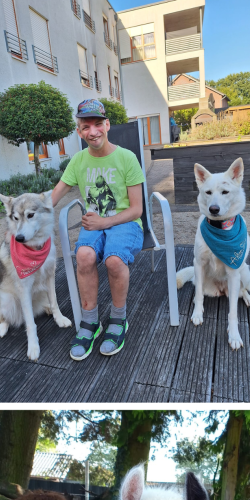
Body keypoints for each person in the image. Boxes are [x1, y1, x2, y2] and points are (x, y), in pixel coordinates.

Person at [51, 99, 145, 361]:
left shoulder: (127, 158)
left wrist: (105, 222)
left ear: (107, 125)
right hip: (94, 224)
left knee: (114, 261)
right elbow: (54, 196)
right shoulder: (78, 161)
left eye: (97, 124)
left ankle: (118, 320)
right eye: (85, 126)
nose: (93, 131)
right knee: (84, 256)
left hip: (126, 223)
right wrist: (25, 216)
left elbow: (137, 209)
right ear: (79, 132)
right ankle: (90, 323)